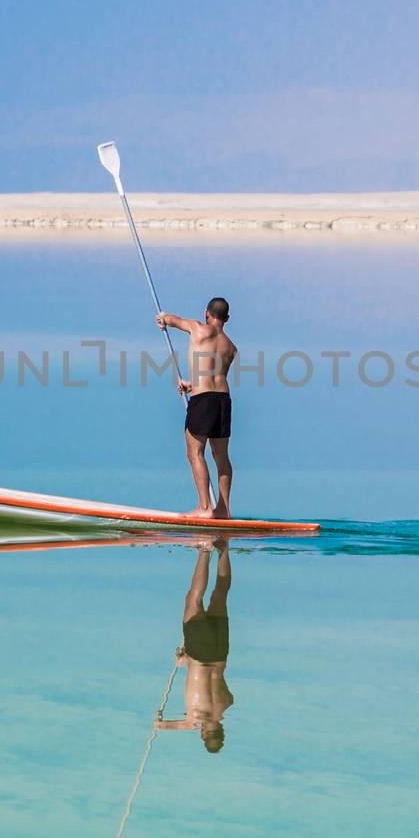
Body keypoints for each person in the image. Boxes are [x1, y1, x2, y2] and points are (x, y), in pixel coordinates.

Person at [156, 297, 236, 519]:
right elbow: (215, 375)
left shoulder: (198, 328)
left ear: (206, 313)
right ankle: (223, 509)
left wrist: (164, 318)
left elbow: (175, 320)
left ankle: (204, 508)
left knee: (194, 452)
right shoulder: (231, 347)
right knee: (222, 457)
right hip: (223, 400)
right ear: (227, 318)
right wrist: (191, 384)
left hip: (204, 401)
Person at [157, 539, 233, 753]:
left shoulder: (225, 705)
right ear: (202, 735)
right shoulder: (195, 720)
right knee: (193, 599)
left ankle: (224, 549)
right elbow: (178, 725)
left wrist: (189, 661)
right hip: (199, 653)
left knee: (220, 594)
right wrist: (161, 725)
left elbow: (223, 689)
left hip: (219, 653)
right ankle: (205, 550)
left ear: (221, 729)